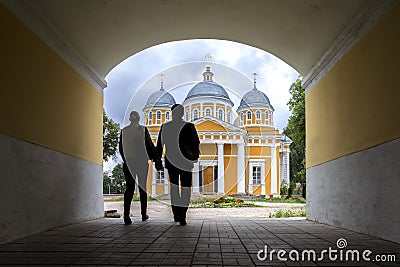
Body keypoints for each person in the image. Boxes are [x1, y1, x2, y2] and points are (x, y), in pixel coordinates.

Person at [157, 104, 200, 225]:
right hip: (185, 162)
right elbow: (196, 143)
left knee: (175, 188)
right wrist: (194, 157)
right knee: (185, 188)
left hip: (173, 162)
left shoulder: (166, 127)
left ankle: (177, 213)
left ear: (173, 113)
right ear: (181, 113)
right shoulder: (189, 126)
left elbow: (160, 145)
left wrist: (158, 160)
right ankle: (182, 214)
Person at [119, 111, 162, 224]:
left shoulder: (124, 131)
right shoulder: (143, 129)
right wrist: (156, 158)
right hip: (141, 162)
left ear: (130, 119)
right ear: (138, 119)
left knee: (129, 189)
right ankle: (143, 214)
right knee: (142, 188)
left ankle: (126, 216)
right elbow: (149, 145)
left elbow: (121, 148)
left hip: (129, 163)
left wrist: (126, 159)